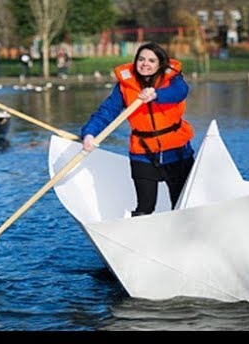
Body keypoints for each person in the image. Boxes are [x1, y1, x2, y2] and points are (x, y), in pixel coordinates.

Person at [81, 42, 195, 217]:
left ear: (160, 64)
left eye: (151, 60)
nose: (145, 64)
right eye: (141, 59)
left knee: (181, 205)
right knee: (144, 208)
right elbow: (107, 112)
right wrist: (89, 134)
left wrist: (156, 95)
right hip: (143, 153)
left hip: (177, 151)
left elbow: (180, 92)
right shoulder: (124, 86)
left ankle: (185, 237)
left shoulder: (173, 80)